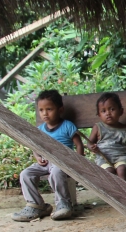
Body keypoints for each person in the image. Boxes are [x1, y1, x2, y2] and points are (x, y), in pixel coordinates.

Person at [11, 89, 84, 222]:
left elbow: (79, 144)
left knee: (56, 172)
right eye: (41, 110)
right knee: (26, 174)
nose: (45, 113)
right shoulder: (40, 130)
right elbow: (36, 147)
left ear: (60, 110)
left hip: (62, 163)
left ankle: (63, 203)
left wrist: (79, 164)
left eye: (49, 109)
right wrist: (38, 157)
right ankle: (36, 205)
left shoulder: (67, 126)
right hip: (45, 163)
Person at [86, 92, 126, 181]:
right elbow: (89, 143)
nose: (108, 113)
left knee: (122, 170)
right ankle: (112, 190)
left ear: (121, 111)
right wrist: (92, 147)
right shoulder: (98, 127)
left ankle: (124, 189)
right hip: (103, 158)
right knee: (109, 172)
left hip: (121, 158)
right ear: (99, 115)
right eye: (103, 111)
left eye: (112, 109)